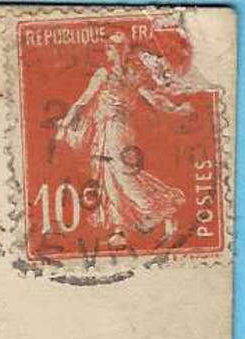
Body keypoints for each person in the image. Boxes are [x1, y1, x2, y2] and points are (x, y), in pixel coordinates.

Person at [53, 32, 193, 249]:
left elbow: (153, 98)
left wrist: (175, 109)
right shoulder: (103, 74)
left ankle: (156, 209)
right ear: (108, 52)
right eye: (112, 48)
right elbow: (83, 101)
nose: (116, 51)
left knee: (121, 171)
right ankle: (120, 229)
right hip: (103, 128)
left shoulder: (133, 75)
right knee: (108, 175)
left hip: (119, 127)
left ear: (126, 50)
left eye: (120, 47)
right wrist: (66, 122)